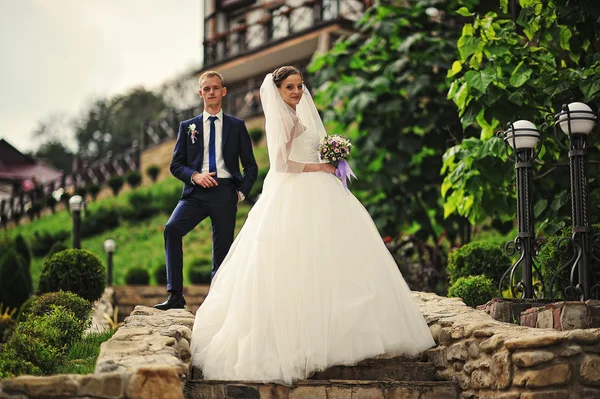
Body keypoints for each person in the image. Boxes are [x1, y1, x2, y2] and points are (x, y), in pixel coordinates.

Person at [190, 66, 435, 384]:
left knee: (333, 255)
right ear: (277, 91)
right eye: (290, 87)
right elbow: (281, 164)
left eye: (299, 86)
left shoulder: (296, 113)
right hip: (294, 192)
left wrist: (333, 154)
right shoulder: (284, 118)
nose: (296, 92)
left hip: (319, 189)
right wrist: (322, 165)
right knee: (297, 259)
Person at [154, 71, 258, 311]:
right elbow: (175, 164)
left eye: (215, 88)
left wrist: (240, 193)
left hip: (225, 192)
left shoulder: (237, 126)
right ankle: (175, 296)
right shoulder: (187, 126)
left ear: (223, 91)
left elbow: (250, 166)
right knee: (171, 229)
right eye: (206, 89)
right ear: (200, 93)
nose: (211, 92)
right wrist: (195, 176)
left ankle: (217, 305)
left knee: (221, 252)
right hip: (196, 193)